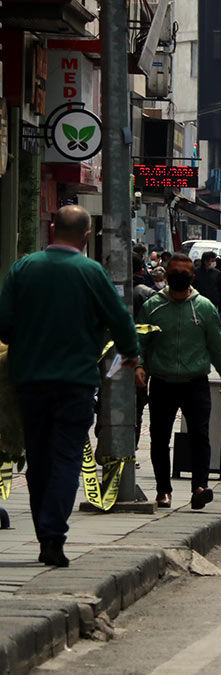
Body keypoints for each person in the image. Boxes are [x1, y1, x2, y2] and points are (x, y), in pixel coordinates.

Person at [0, 206, 140, 567]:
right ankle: (53, 535)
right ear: (86, 235)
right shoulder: (91, 272)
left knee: (38, 458)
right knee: (66, 457)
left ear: (51, 228)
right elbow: (119, 319)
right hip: (75, 382)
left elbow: (3, 323)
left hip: (30, 381)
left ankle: (44, 532)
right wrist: (131, 352)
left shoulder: (24, 268)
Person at [135, 254, 221, 510]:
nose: (180, 276)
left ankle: (200, 487)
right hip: (162, 381)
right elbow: (141, 341)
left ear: (192, 277)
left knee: (200, 435)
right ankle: (163, 490)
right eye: (175, 272)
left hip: (195, 381)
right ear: (167, 275)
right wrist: (140, 366)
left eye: (184, 273)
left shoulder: (204, 308)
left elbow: (216, 344)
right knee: (159, 437)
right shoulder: (153, 306)